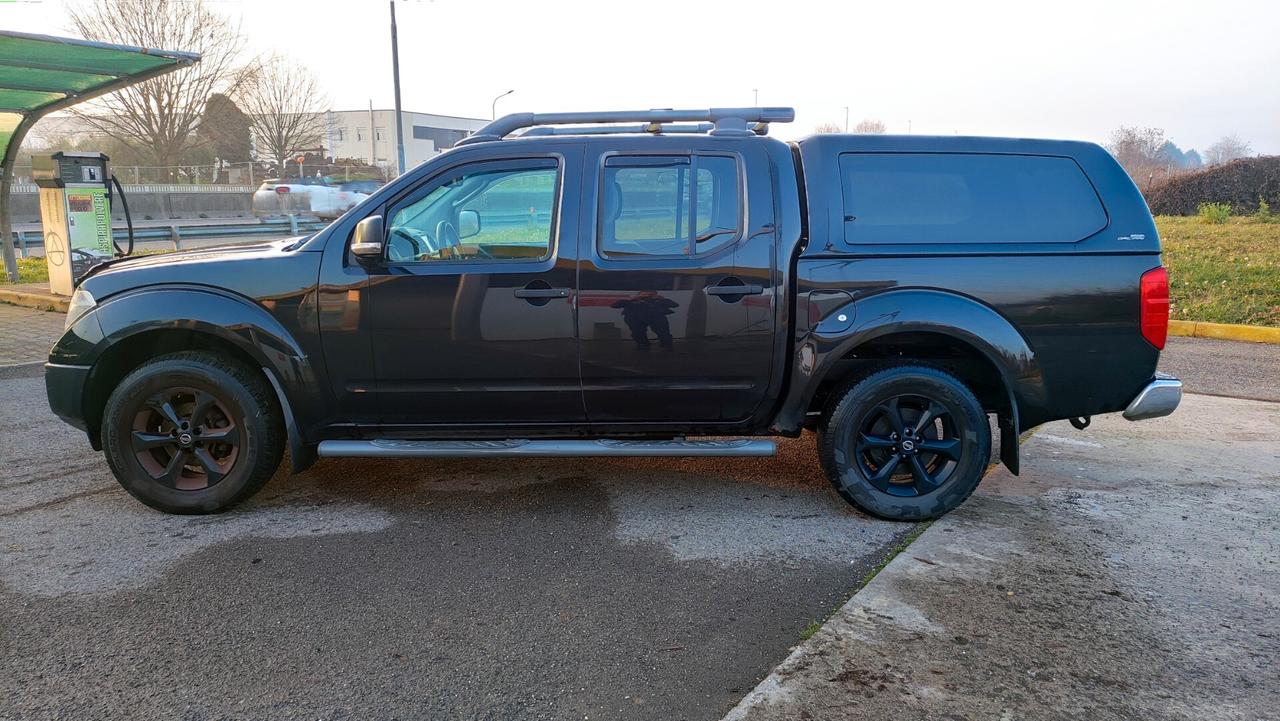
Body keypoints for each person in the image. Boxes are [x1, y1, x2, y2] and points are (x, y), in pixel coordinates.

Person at [611, 291, 679, 351]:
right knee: (637, 333)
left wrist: (663, 299)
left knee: (663, 332)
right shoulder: (632, 301)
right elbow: (614, 305)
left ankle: (667, 345)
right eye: (644, 294)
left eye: (650, 294)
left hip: (656, 318)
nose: (647, 296)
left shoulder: (659, 301)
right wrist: (632, 299)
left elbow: (675, 305)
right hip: (636, 319)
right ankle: (643, 345)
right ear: (639, 295)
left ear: (655, 295)